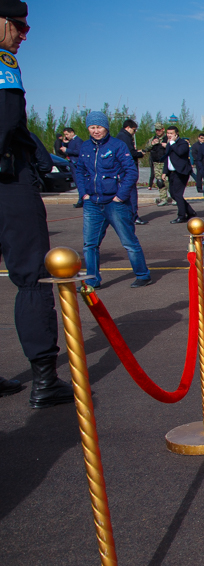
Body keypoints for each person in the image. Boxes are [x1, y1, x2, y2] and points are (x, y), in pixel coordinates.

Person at [0, 2, 80, 407]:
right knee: (33, 276)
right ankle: (44, 378)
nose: (23, 34)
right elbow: (8, 119)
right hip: (8, 183)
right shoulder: (3, 61)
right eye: (19, 25)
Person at [76, 111, 152, 289]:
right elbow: (79, 171)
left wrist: (120, 196)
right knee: (90, 245)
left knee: (128, 241)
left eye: (99, 127)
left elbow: (131, 172)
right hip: (92, 203)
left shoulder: (117, 145)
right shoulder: (85, 147)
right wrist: (83, 194)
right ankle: (92, 280)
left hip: (114, 203)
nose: (96, 131)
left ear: (106, 128)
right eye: (92, 127)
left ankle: (142, 274)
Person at [160, 125, 196, 223]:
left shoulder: (183, 143)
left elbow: (180, 152)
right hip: (172, 172)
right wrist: (164, 172)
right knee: (173, 193)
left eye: (171, 133)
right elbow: (167, 159)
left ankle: (181, 215)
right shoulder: (169, 144)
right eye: (168, 133)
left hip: (182, 172)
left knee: (178, 194)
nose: (169, 135)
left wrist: (172, 143)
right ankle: (190, 211)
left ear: (176, 134)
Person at [116, 118, 147, 225]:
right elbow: (130, 153)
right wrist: (140, 154)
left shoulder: (120, 136)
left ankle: (127, 215)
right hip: (127, 169)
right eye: (134, 130)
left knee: (125, 192)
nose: (134, 133)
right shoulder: (125, 137)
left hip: (121, 169)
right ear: (128, 128)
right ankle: (134, 216)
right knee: (131, 192)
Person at [144, 123, 172, 207]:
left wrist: (166, 146)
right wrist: (152, 144)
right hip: (156, 163)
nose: (158, 131)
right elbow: (146, 148)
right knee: (160, 181)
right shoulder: (153, 139)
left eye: (159, 130)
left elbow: (174, 147)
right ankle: (163, 198)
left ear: (163, 129)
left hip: (165, 162)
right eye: (156, 130)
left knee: (167, 181)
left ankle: (174, 197)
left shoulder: (167, 138)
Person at [60, 127, 83, 207]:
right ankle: (81, 199)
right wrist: (65, 143)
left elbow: (79, 151)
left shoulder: (78, 140)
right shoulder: (71, 141)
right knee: (77, 181)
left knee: (79, 181)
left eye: (67, 134)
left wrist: (67, 150)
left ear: (72, 132)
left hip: (76, 163)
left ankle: (81, 200)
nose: (66, 136)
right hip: (72, 163)